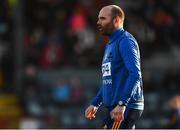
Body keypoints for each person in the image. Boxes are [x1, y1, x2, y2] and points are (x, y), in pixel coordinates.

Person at [85, 5, 144, 129]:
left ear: (116, 20)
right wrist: (95, 103)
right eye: (98, 18)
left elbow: (135, 73)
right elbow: (109, 81)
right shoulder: (110, 44)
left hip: (125, 106)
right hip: (116, 107)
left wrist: (122, 103)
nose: (98, 22)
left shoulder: (125, 41)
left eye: (102, 19)